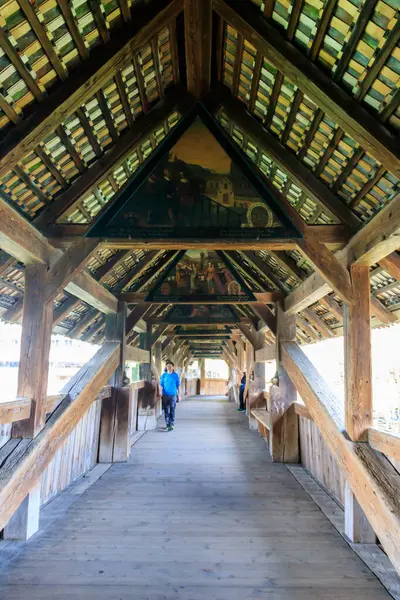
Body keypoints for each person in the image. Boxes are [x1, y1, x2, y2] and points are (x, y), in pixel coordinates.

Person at [160, 361, 181, 431]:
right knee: (166, 410)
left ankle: (171, 424)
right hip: (165, 395)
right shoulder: (164, 375)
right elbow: (161, 385)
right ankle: (167, 424)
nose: (169, 367)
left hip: (173, 395)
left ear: (173, 367)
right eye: (168, 366)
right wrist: (160, 392)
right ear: (166, 367)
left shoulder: (175, 375)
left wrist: (179, 395)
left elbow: (178, 386)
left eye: (170, 366)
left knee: (172, 409)